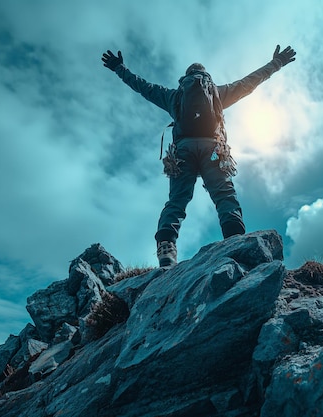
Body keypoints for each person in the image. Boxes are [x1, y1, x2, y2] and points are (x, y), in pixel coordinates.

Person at [102, 45, 296, 268]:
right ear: (207, 76)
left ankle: (166, 247)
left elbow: (143, 87)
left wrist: (120, 68)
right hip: (213, 151)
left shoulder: (173, 96)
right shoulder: (218, 93)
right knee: (223, 194)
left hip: (182, 152)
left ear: (185, 77)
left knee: (177, 200)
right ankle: (235, 241)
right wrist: (277, 63)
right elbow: (250, 82)